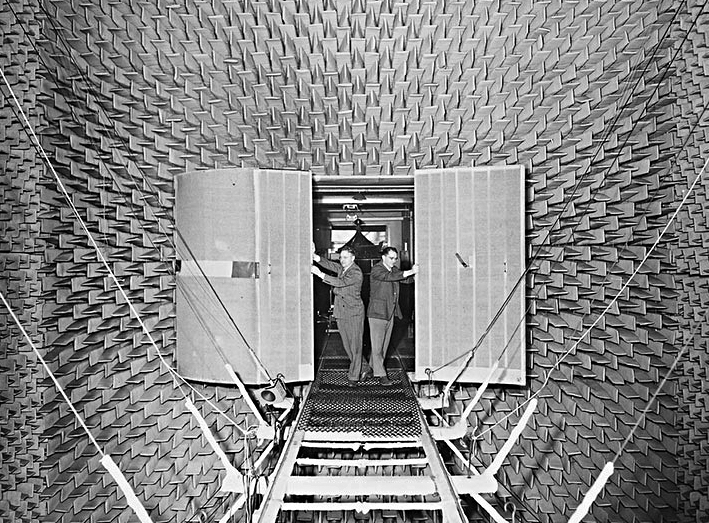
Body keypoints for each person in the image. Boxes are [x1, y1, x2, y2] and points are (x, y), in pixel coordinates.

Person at [311, 244, 370, 386]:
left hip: (354, 313)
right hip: (341, 312)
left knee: (355, 346)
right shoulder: (343, 269)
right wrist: (315, 257)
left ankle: (353, 377)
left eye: (345, 257)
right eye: (341, 258)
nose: (342, 260)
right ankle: (365, 368)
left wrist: (319, 274)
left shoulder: (355, 272)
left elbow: (340, 282)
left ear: (353, 258)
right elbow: (331, 265)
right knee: (348, 346)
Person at [367, 246, 418, 386]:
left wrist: (416, 273)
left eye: (395, 258)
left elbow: (405, 279)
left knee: (383, 346)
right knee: (377, 347)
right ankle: (381, 375)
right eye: (391, 258)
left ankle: (371, 368)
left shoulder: (393, 270)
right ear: (383, 257)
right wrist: (409, 272)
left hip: (390, 312)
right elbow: (390, 277)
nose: (394, 261)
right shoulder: (377, 269)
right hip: (377, 313)